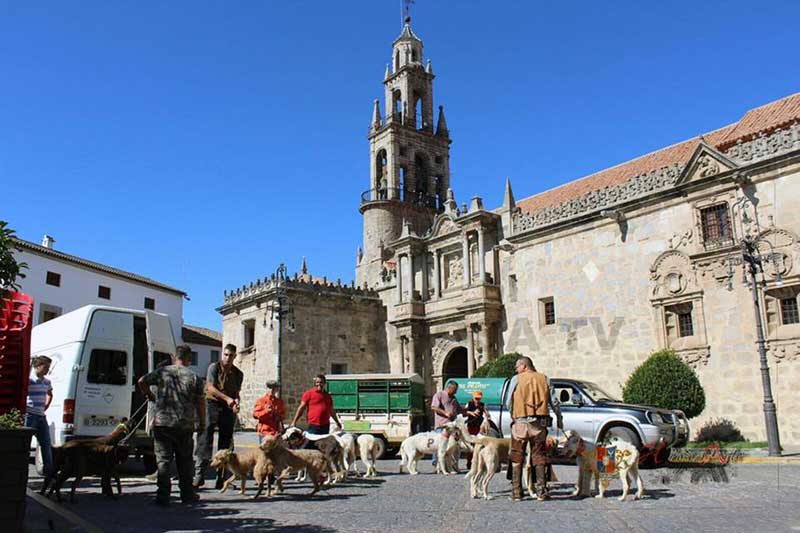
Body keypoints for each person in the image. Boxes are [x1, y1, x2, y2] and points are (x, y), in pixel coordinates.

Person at [138, 345, 205, 506]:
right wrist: (202, 422)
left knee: (163, 461)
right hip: (184, 425)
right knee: (185, 461)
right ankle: (187, 494)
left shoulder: (162, 372)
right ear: (189, 358)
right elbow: (200, 403)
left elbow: (141, 381)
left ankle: (163, 495)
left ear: (175, 357)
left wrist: (149, 395)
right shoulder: (194, 377)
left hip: (162, 423)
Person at [506, 356, 561, 502]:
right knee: (539, 456)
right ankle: (541, 491)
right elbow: (554, 401)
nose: (516, 370)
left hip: (520, 422)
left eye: (517, 367)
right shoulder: (544, 378)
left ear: (524, 365)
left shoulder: (516, 379)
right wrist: (559, 418)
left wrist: (513, 415)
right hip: (539, 424)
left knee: (517, 457)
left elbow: (507, 401)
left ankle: (516, 492)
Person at [194, 343, 244, 489]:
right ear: (223, 354)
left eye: (231, 355)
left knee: (226, 442)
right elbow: (210, 387)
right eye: (226, 354)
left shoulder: (238, 374)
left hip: (228, 408)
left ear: (235, 356)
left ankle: (221, 478)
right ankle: (199, 475)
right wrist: (227, 399)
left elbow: (236, 393)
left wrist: (236, 403)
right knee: (205, 437)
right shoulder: (214, 367)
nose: (228, 358)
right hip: (212, 404)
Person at [26, 355, 53, 477]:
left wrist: (46, 405)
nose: (48, 370)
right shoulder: (29, 380)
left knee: (46, 444)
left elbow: (49, 393)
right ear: (38, 366)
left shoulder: (47, 382)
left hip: (41, 416)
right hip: (29, 415)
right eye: (46, 367)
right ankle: (22, 469)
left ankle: (49, 472)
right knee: (25, 444)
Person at [430, 380, 463, 466]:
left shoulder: (454, 399)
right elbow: (433, 407)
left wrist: (470, 412)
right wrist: (445, 413)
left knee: (449, 447)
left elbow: (460, 410)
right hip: (441, 426)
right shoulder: (439, 395)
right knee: (438, 446)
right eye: (455, 389)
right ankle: (435, 464)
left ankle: (447, 465)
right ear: (449, 388)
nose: (456, 391)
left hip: (451, 427)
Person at [464, 389, 485, 469]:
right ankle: (469, 463)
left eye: (479, 398)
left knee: (479, 445)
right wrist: (471, 412)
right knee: (470, 445)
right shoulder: (469, 403)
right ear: (473, 397)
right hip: (471, 426)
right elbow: (464, 412)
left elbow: (485, 413)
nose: (477, 400)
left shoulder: (482, 404)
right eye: (476, 398)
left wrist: (486, 416)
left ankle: (478, 463)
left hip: (479, 426)